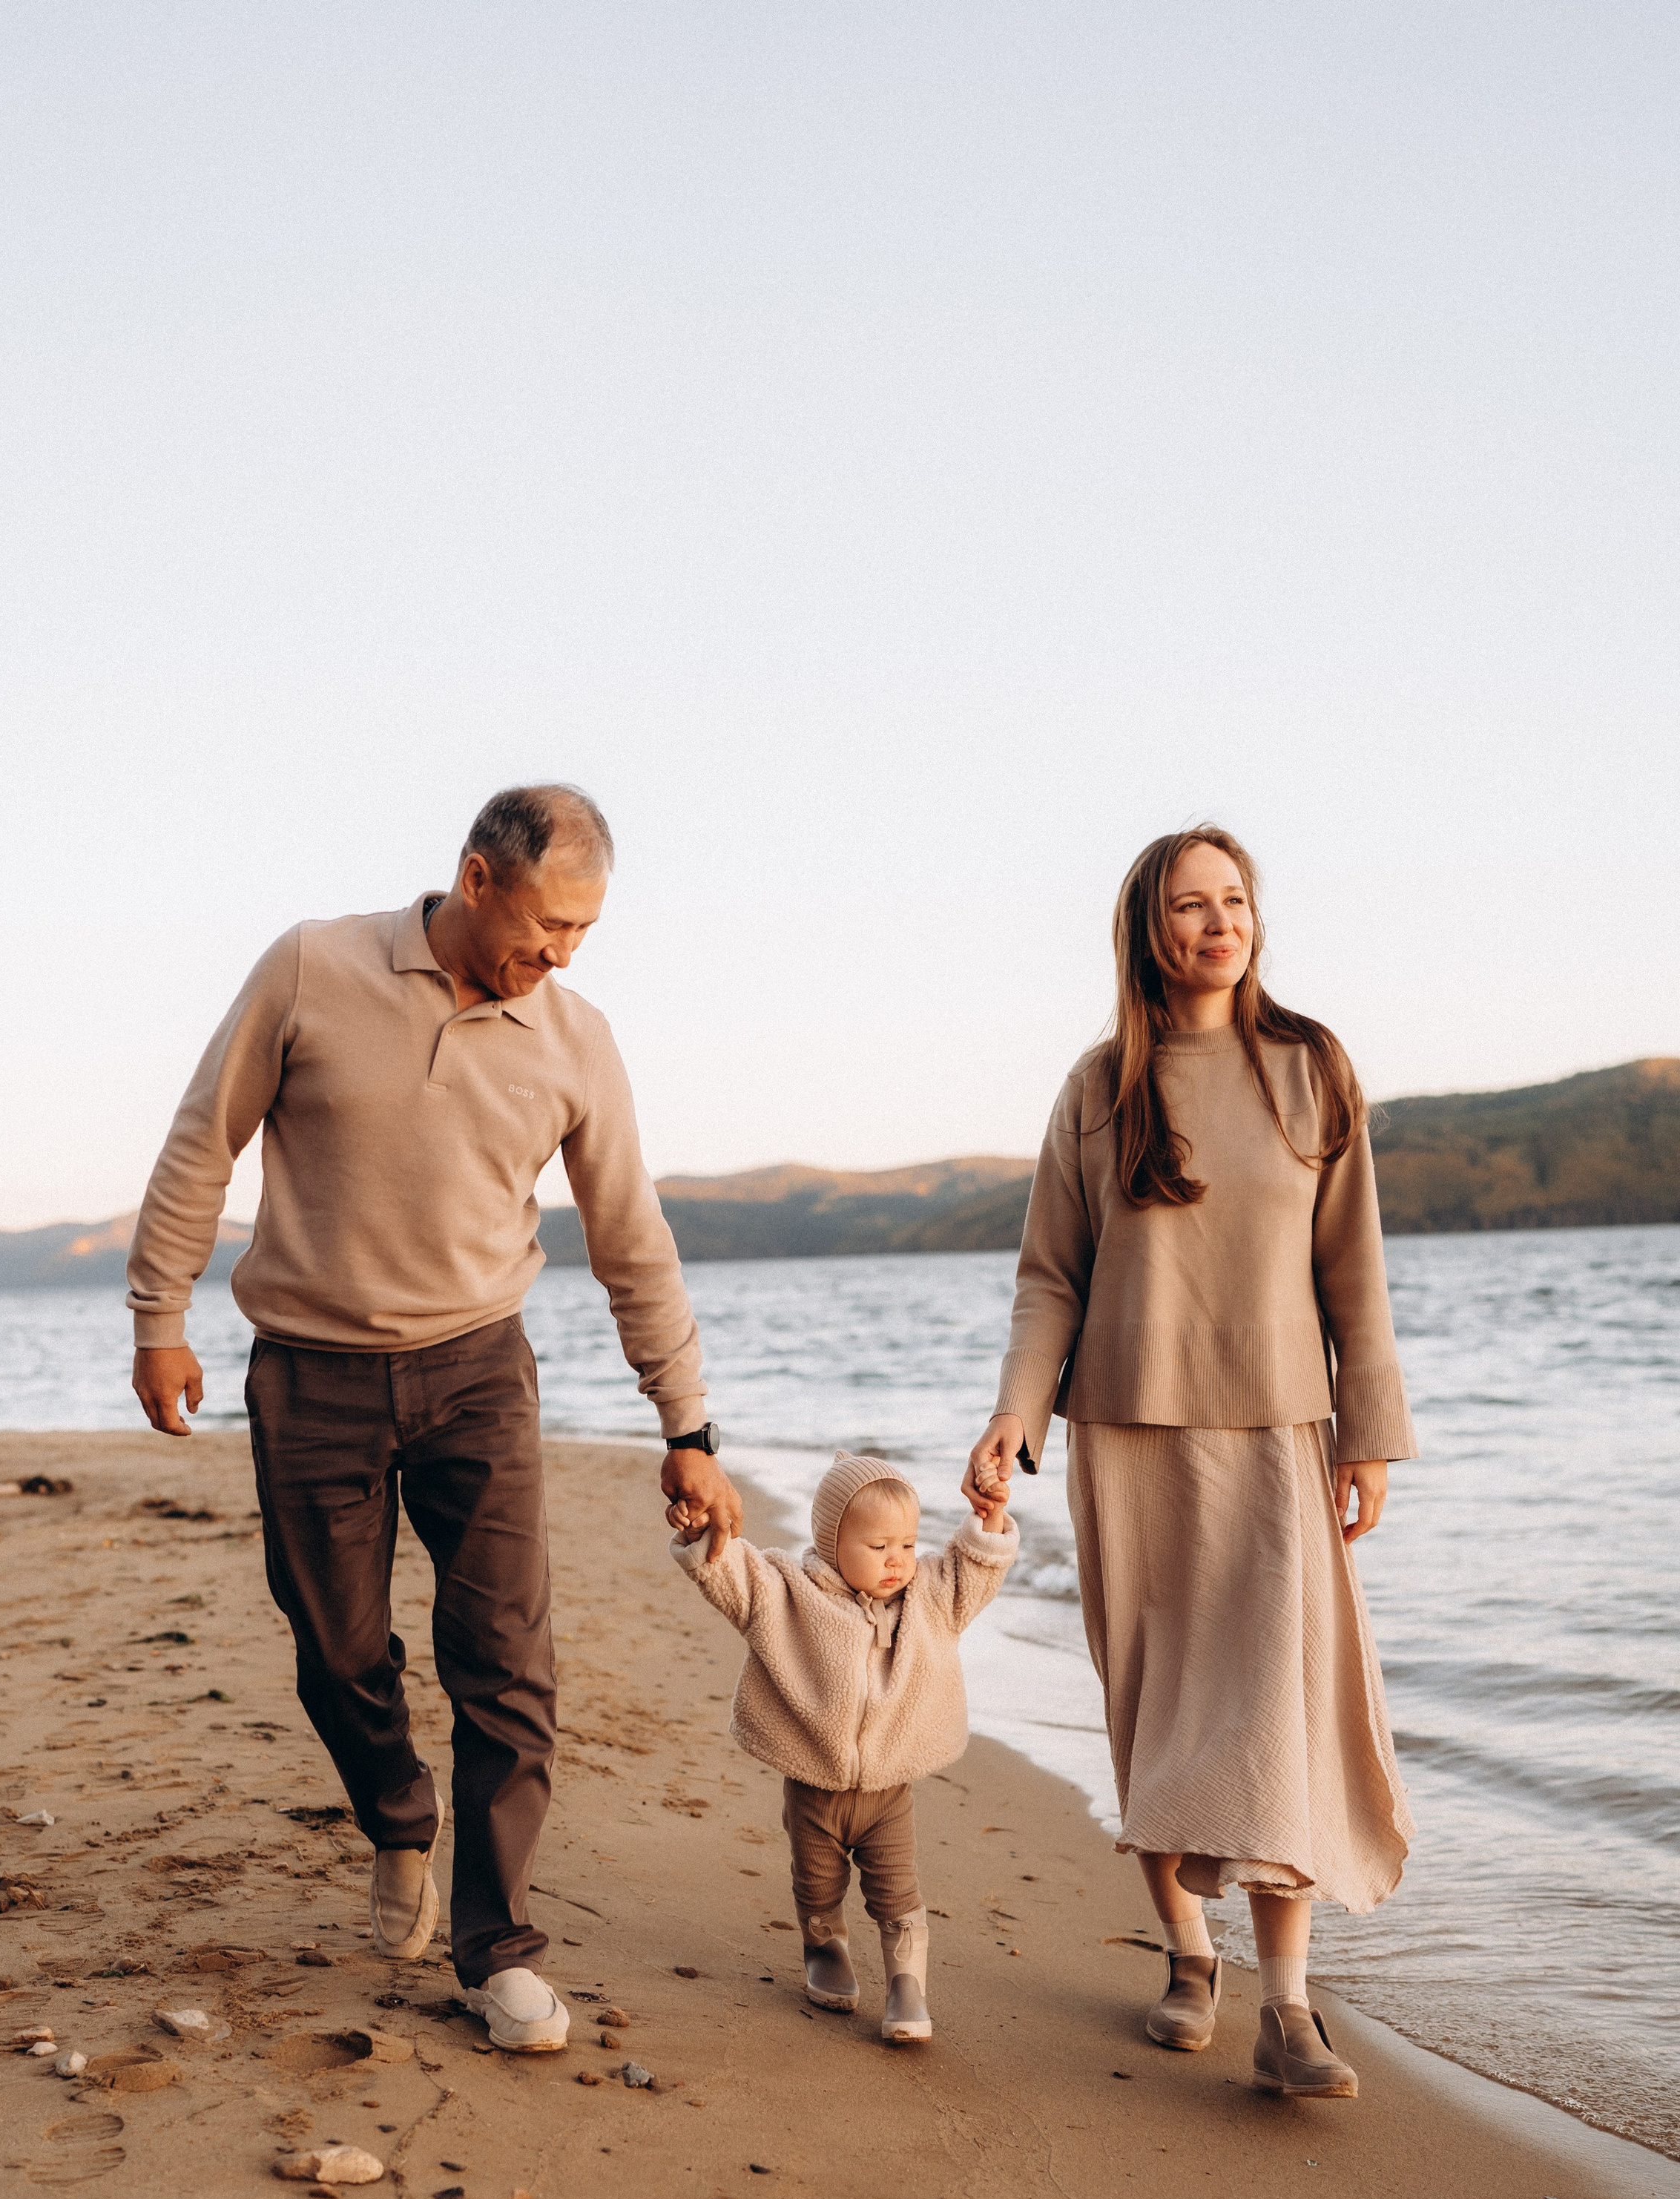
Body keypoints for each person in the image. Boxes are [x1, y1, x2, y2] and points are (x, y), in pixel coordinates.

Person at [127, 784, 742, 2052]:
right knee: (336, 1649)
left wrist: (688, 1426)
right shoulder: (312, 967)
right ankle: (398, 1813)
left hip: (477, 1375)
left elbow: (632, 1241)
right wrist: (159, 1316)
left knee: (508, 1662)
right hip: (310, 1372)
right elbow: (203, 1142)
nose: (563, 954)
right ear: (477, 879)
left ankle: (497, 1948)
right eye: (549, 924)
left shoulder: (576, 1039)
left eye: (586, 931)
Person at [963, 826, 1414, 2100]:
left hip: (1278, 1433)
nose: (1219, 924)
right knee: (1156, 1706)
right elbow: (1051, 1278)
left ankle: (1289, 2008)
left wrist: (1370, 1431)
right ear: (1147, 930)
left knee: (1275, 1713)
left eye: (1235, 902)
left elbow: (1355, 1269)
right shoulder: (1100, 1086)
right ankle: (1186, 1953)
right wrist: (1015, 1416)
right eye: (1190, 905)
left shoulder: (1310, 1067)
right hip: (1126, 1431)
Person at [673, 1450, 1016, 2042]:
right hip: (814, 1788)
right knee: (817, 1884)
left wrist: (988, 1519)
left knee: (896, 1892)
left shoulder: (930, 1599)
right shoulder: (786, 1594)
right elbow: (731, 1572)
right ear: (832, 1542)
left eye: (907, 1544)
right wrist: (701, 1528)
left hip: (887, 1793)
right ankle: (824, 1946)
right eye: (878, 1546)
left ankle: (907, 1986)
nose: (897, 1560)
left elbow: (974, 1571)